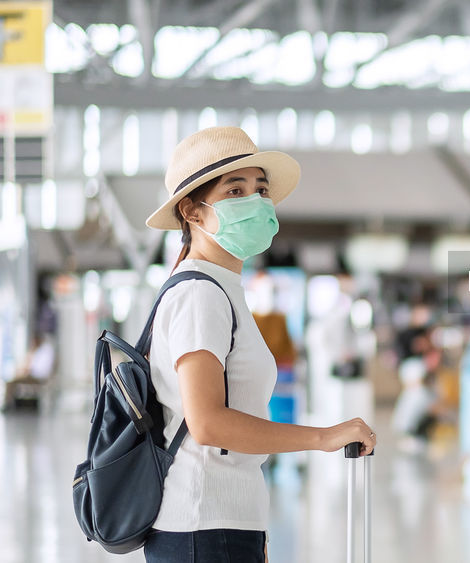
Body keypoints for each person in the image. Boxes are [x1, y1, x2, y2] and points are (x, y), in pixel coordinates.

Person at [142, 127, 376, 562]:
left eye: (260, 188)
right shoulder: (200, 295)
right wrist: (323, 436)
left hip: (223, 523)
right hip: (201, 526)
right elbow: (208, 423)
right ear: (192, 211)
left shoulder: (223, 288)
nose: (254, 200)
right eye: (235, 190)